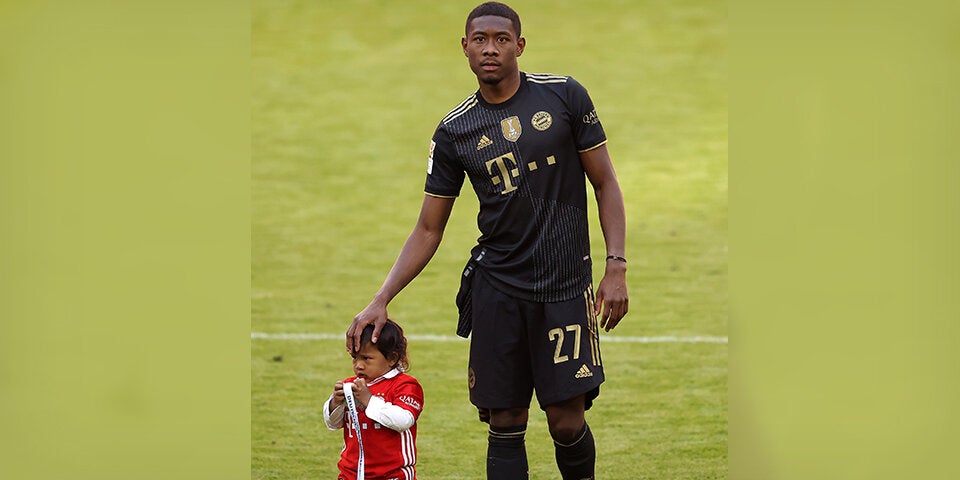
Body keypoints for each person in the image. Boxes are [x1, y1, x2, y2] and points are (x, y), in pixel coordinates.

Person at [348, 2, 628, 478]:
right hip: (498, 288)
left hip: (564, 285)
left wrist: (616, 266)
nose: (490, 48)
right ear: (465, 48)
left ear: (519, 45)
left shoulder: (564, 96)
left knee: (565, 421)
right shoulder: (455, 130)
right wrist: (382, 297)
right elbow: (429, 228)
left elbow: (605, 182)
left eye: (501, 39)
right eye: (480, 39)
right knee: (505, 419)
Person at [325, 320, 423, 480]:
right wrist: (335, 403)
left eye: (366, 358)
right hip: (350, 474)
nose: (358, 365)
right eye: (355, 358)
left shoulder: (405, 385)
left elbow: (403, 420)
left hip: (392, 475)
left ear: (392, 358)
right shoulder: (351, 384)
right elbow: (333, 424)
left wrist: (369, 400)